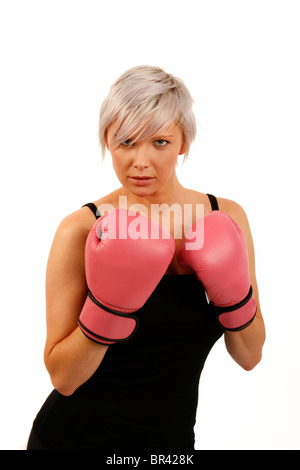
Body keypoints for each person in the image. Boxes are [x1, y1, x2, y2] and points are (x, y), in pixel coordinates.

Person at [27, 65, 265, 451]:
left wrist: (235, 297)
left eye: (159, 142)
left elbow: (250, 355)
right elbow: (63, 378)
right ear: (106, 140)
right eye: (125, 142)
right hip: (73, 439)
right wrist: (109, 307)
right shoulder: (82, 229)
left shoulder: (225, 218)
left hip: (170, 446)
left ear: (183, 141)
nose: (140, 161)